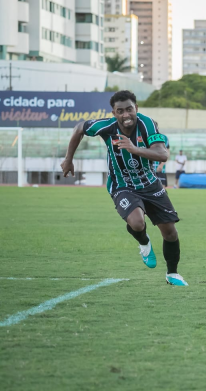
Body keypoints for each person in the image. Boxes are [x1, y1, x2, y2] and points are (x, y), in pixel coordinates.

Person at [60, 90, 188, 286]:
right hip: (122, 185)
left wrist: (134, 148)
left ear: (136, 108)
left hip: (150, 183)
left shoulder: (147, 124)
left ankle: (173, 274)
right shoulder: (106, 126)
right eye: (120, 111)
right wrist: (68, 159)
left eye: (129, 109)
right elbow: (79, 128)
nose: (125, 115)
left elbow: (162, 154)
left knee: (170, 232)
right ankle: (144, 242)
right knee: (137, 222)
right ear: (114, 113)